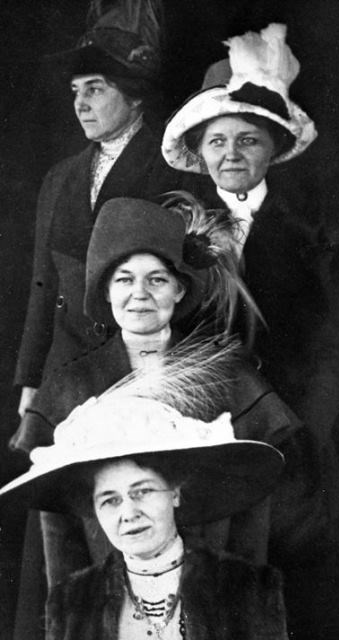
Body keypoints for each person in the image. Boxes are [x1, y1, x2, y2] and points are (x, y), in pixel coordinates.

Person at [12, 194, 300, 584]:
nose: (140, 295)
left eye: (157, 279)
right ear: (105, 291)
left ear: (179, 290)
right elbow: (60, 527)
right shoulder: (71, 385)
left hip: (214, 584)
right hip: (109, 590)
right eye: (124, 280)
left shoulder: (228, 376)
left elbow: (254, 507)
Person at [162, 22, 339, 540]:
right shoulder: (172, 231)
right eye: (217, 141)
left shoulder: (313, 237)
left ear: (275, 147)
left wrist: (299, 438)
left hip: (291, 439)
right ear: (200, 152)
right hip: (200, 437)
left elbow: (333, 351)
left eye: (248, 140)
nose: (231, 154)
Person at [0, 374, 287, 640]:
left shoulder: (246, 589)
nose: (129, 513)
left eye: (143, 491)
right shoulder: (72, 602)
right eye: (110, 500)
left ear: (175, 492)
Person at [13, 3, 178, 422]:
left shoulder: (172, 168)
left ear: (135, 95)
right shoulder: (60, 177)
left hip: (142, 370)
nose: (80, 104)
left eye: (95, 89)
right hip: (65, 374)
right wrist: (32, 380)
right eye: (75, 91)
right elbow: (43, 285)